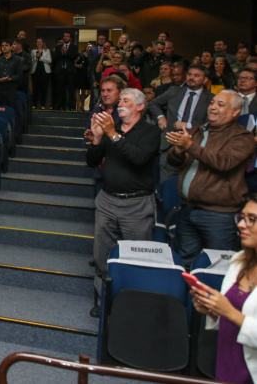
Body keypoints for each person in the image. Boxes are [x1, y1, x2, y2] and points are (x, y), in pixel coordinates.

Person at [85, 88, 160, 317]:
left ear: (140, 106)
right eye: (119, 101)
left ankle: (130, 306)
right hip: (107, 201)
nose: (119, 104)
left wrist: (112, 134)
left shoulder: (150, 132)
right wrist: (98, 139)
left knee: (135, 257)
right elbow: (92, 162)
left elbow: (138, 158)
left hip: (136, 205)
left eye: (125, 100)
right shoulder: (112, 131)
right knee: (102, 255)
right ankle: (103, 300)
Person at [168, 90, 256, 265]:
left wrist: (189, 146)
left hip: (218, 215)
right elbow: (175, 162)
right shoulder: (199, 130)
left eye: (220, 105)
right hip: (187, 209)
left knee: (218, 264)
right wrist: (178, 150)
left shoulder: (242, 137)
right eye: (212, 103)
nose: (213, 107)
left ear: (236, 111)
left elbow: (224, 163)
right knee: (187, 262)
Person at [191, 195, 257, 383]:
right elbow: (228, 315)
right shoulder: (238, 261)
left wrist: (228, 311)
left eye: (252, 219)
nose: (242, 225)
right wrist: (212, 309)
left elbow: (233, 313)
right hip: (227, 362)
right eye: (242, 217)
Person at [149, 64, 214, 180]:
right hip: (169, 143)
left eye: (197, 75)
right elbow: (153, 104)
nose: (191, 78)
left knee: (189, 182)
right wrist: (160, 117)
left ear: (205, 80)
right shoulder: (174, 91)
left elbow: (212, 123)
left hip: (194, 145)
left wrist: (189, 125)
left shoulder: (211, 99)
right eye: (190, 74)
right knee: (166, 185)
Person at [0, 40, 23, 108]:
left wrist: (9, 79)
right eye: (3, 46)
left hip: (11, 88)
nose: (4, 47)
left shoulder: (17, 60)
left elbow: (19, 75)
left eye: (6, 45)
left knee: (10, 109)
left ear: (11, 47)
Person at [52, 32, 79, 110]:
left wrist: (66, 52)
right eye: (64, 36)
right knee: (60, 89)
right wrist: (61, 52)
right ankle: (60, 106)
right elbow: (55, 57)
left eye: (67, 36)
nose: (65, 38)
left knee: (71, 90)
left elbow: (74, 56)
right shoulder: (58, 47)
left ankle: (71, 107)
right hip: (60, 71)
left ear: (70, 38)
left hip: (70, 71)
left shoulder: (74, 47)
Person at [31, 39, 52, 109]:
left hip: (45, 71)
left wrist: (40, 58)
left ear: (43, 43)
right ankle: (34, 104)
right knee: (35, 88)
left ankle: (43, 105)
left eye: (40, 42)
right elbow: (31, 61)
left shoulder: (47, 50)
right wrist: (36, 58)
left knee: (44, 88)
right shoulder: (33, 51)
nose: (39, 43)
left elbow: (49, 61)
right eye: (37, 42)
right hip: (35, 71)